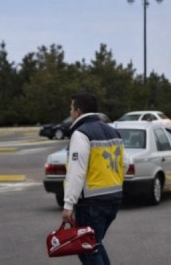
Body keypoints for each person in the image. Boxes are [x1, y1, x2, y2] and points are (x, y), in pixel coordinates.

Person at [61, 93, 125, 265]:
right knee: (94, 245)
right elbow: (123, 164)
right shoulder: (113, 131)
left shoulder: (81, 134)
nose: (71, 112)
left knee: (87, 248)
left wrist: (68, 205)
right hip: (114, 199)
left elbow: (77, 171)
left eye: (71, 109)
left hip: (91, 202)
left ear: (78, 111)